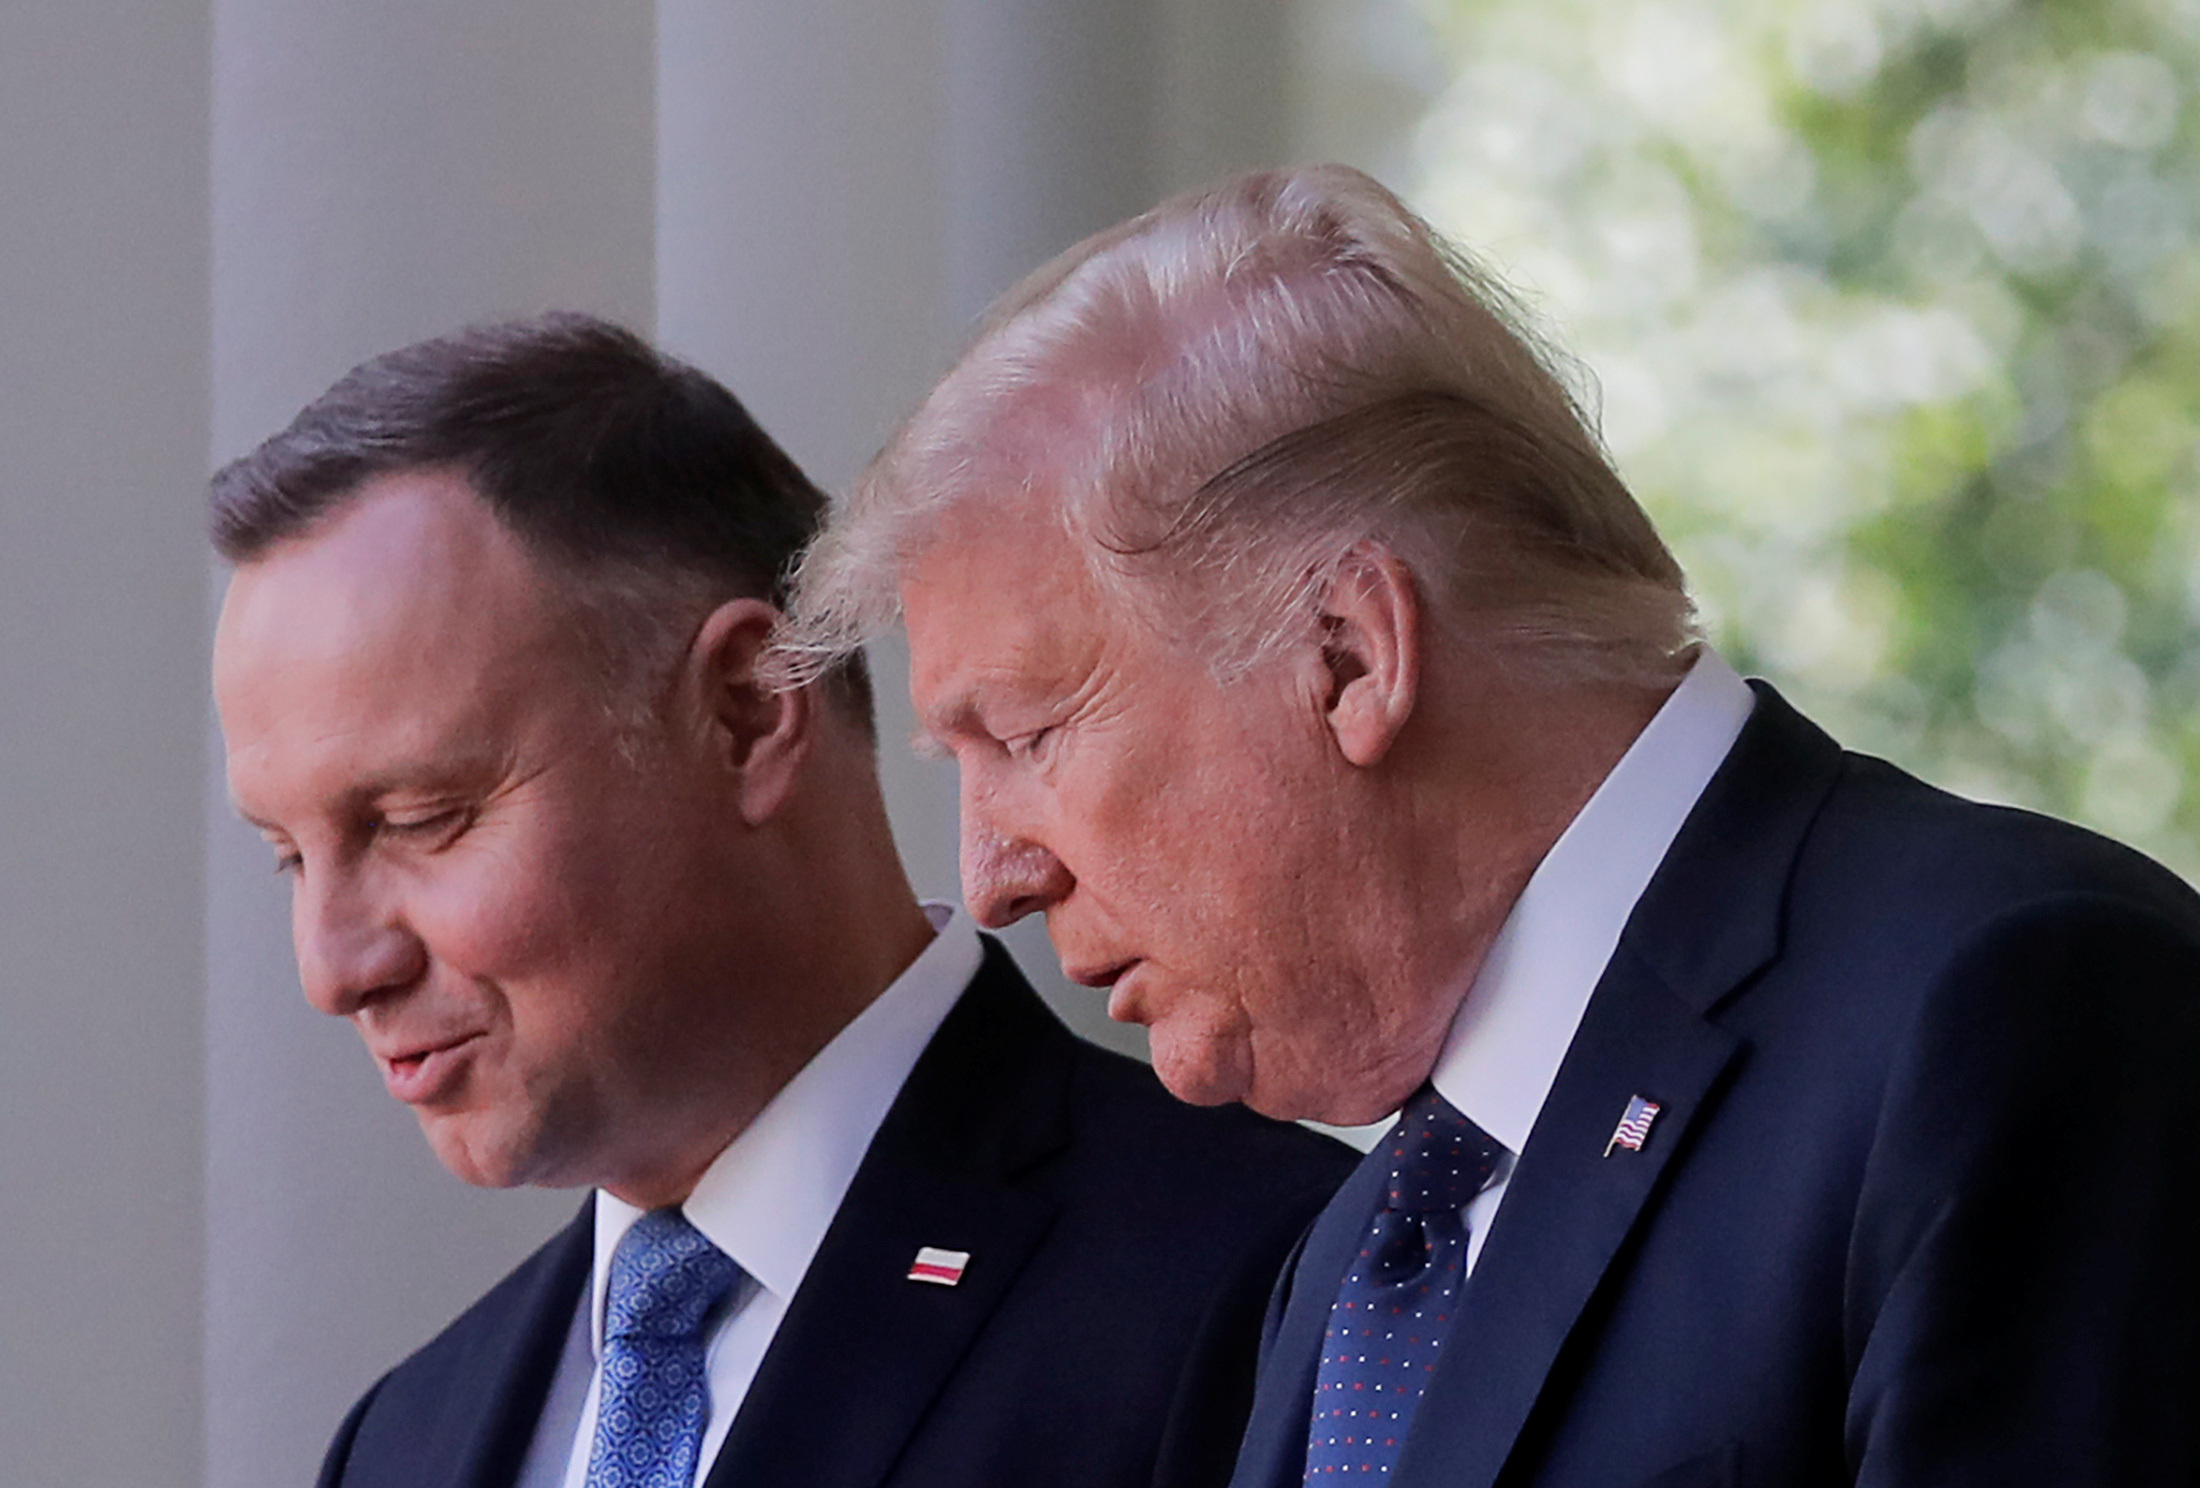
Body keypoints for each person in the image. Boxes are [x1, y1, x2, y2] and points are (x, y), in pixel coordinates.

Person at [776, 165, 2200, 1487]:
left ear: (1348, 655)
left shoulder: (2015, 1009)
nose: (989, 877)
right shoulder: (1353, 1258)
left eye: (1025, 737)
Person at [208, 314, 1355, 1488]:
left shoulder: (1278, 1288)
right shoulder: (403, 1443)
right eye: (291, 858)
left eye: (416, 820)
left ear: (749, 711)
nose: (334, 966)